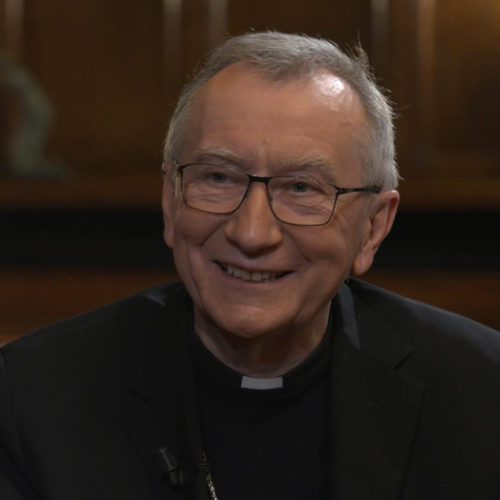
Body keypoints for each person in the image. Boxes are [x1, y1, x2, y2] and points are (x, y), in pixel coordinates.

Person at [1, 31, 499, 500]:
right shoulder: (29, 398)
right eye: (218, 178)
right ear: (171, 202)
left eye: (301, 188)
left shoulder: (483, 391)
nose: (252, 233)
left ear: (372, 227)